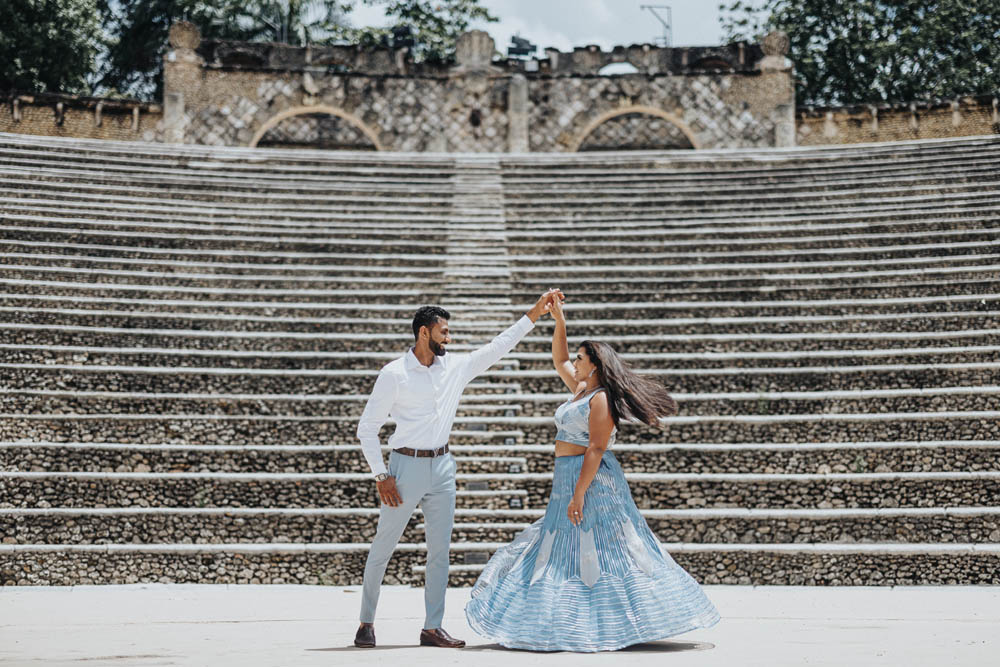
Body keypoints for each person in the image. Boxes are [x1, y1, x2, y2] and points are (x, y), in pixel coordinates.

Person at [464, 294, 721, 652]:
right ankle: (569, 620)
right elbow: (558, 359)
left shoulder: (600, 399)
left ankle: (615, 620)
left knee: (601, 546)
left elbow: (597, 449)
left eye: (581, 359)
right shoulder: (582, 389)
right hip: (566, 475)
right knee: (567, 547)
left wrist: (580, 492)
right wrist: (559, 322)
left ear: (595, 365)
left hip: (593, 480)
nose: (575, 363)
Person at [354, 289, 562, 649]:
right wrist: (381, 475)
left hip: (443, 467)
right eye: (444, 331)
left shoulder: (455, 367)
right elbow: (366, 428)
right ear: (424, 332)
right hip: (403, 468)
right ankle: (366, 623)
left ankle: (432, 627)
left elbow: (499, 346)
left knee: (440, 551)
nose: (449, 337)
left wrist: (535, 313)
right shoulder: (394, 374)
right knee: (383, 547)